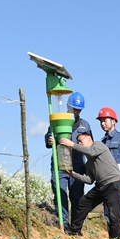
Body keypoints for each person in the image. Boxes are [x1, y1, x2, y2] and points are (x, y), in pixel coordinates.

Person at [58, 129, 120, 239]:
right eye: (78, 142)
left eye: (81, 141)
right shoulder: (89, 162)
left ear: (89, 138)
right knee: (84, 202)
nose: (79, 144)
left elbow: (91, 152)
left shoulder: (98, 145)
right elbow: (89, 180)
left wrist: (71, 144)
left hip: (113, 184)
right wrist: (73, 174)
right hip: (101, 186)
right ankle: (75, 231)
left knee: (114, 214)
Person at [45, 91, 91, 228]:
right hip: (60, 164)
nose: (76, 112)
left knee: (77, 196)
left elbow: (90, 145)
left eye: (79, 110)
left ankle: (76, 228)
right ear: (67, 106)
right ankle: (62, 224)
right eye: (74, 109)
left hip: (77, 165)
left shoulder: (85, 125)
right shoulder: (56, 121)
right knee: (60, 193)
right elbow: (48, 137)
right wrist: (50, 140)